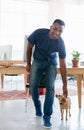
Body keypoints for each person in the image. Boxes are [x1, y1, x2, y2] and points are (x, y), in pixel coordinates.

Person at [26, 19, 68, 128]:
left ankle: (47, 116)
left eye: (60, 31)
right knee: (33, 85)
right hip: (38, 61)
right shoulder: (39, 33)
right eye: (55, 29)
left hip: (51, 63)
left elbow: (63, 65)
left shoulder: (60, 42)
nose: (57, 33)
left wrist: (65, 85)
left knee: (50, 87)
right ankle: (37, 106)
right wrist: (28, 63)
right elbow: (29, 46)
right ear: (51, 27)